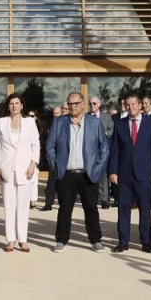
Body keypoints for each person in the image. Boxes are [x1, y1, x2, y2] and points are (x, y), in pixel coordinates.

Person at [46, 91, 109, 253]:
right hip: (66, 174)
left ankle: (96, 240)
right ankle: (61, 240)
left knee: (91, 208)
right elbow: (50, 148)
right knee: (65, 208)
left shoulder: (94, 123)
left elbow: (104, 148)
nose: (73, 107)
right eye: (70, 103)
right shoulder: (59, 123)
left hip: (88, 174)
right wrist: (56, 168)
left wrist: (98, 168)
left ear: (83, 105)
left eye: (76, 103)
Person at [109, 93, 151, 253]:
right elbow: (115, 149)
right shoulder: (119, 124)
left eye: (134, 104)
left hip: (145, 174)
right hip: (124, 174)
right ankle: (123, 241)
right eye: (128, 104)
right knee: (123, 210)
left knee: (145, 210)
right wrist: (113, 170)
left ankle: (146, 242)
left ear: (140, 105)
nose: (131, 107)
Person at [0, 93, 40, 252]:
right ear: (8, 106)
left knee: (23, 206)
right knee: (9, 205)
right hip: (7, 169)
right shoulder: (1, 122)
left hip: (25, 169)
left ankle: (23, 239)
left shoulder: (30, 123)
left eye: (17, 103)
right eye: (11, 103)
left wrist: (33, 164)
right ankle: (10, 239)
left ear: (22, 105)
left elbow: (35, 145)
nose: (14, 106)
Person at [89, 96, 114, 210]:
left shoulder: (106, 117)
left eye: (94, 103)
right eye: (90, 104)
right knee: (91, 175)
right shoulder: (86, 117)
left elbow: (111, 130)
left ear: (99, 105)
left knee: (103, 175)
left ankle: (105, 199)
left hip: (103, 150)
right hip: (90, 151)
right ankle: (93, 198)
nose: (92, 106)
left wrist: (102, 133)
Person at [40, 103, 64, 212]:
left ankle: (63, 204)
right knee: (51, 183)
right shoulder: (48, 125)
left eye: (57, 113)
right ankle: (48, 204)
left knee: (63, 183)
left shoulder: (65, 123)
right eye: (54, 114)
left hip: (63, 158)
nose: (56, 115)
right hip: (52, 157)